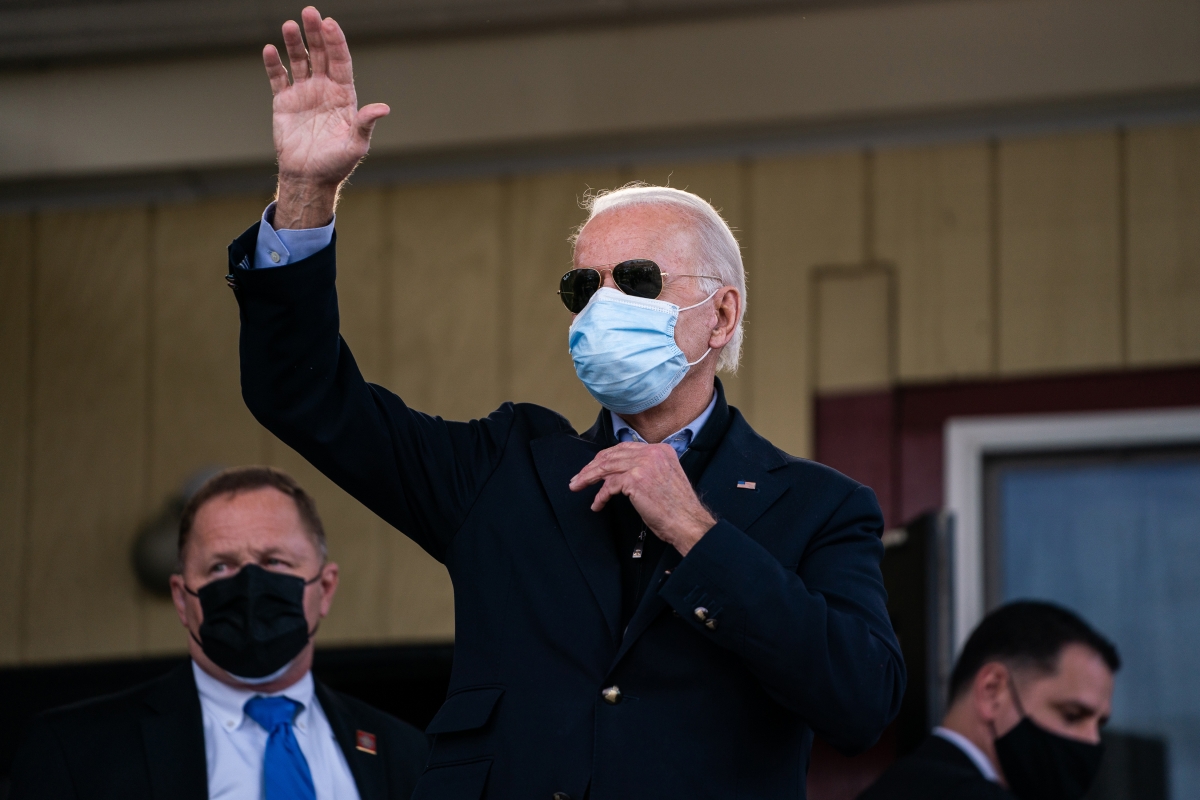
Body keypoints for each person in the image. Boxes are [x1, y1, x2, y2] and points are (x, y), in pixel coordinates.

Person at [225, 8, 905, 798]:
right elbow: (303, 395)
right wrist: (306, 193)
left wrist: (695, 529)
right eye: (586, 287)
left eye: (640, 280)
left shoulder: (817, 509)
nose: (605, 305)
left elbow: (862, 704)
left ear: (721, 315)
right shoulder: (504, 470)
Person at [10, 466, 429, 800]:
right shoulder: (76, 751)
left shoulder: (406, 755)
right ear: (180, 598)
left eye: (276, 562)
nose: (250, 585)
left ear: (325, 588)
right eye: (220, 567)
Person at [859, 601, 1120, 800]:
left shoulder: (893, 786)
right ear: (992, 690)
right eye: (1072, 715)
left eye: (1100, 725)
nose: (1092, 741)